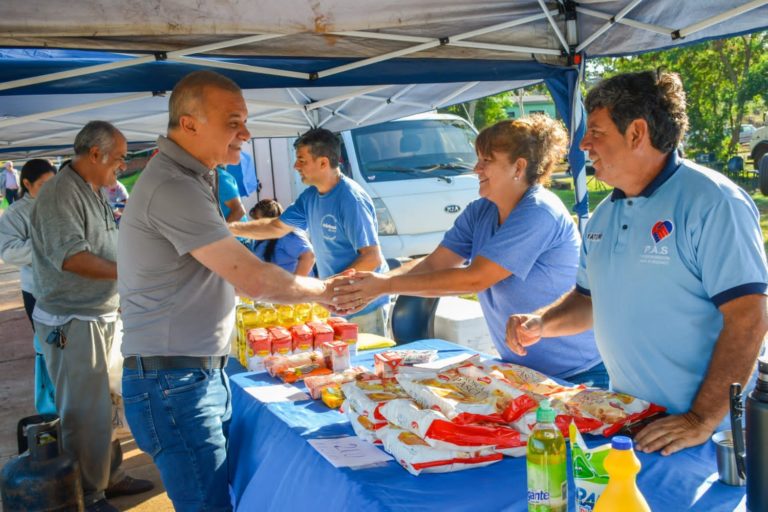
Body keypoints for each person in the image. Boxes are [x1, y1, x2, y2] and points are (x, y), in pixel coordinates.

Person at [505, 70, 768, 456]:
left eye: (596, 131)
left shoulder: (713, 202)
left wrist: (700, 418)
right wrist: (542, 322)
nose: (583, 144)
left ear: (636, 133)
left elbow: (749, 317)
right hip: (633, 420)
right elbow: (590, 300)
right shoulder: (604, 215)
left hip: (709, 435)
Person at [117, 70, 340, 511]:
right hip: (173, 380)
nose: (246, 133)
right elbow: (253, 278)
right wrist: (329, 291)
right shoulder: (173, 186)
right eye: (233, 121)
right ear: (189, 124)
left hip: (190, 373)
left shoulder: (197, 177)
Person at [333, 116, 606, 385]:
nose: (476, 168)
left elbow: (476, 278)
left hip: (578, 372)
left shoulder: (538, 211)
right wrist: (367, 285)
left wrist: (385, 285)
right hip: (524, 371)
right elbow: (434, 264)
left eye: (487, 160)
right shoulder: (481, 210)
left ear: (518, 168)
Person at [30, 121, 154, 512]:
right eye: (118, 159)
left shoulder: (92, 189)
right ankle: (89, 493)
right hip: (73, 321)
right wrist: (130, 273)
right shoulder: (59, 195)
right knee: (84, 413)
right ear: (95, 154)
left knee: (104, 405)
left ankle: (109, 476)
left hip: (97, 314)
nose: (121, 167)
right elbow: (72, 258)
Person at [230, 128, 389, 336]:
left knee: (362, 366)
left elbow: (371, 258)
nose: (296, 166)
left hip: (363, 304)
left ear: (323, 163)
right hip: (337, 302)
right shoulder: (310, 197)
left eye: (302, 160)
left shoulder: (350, 199)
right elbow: (275, 227)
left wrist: (324, 289)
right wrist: (228, 229)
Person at [0, 159, 57, 414]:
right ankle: (55, 398)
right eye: (44, 184)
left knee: (69, 344)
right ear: (26, 183)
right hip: (38, 291)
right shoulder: (16, 213)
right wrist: (45, 245)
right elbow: (8, 251)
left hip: (69, 290)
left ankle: (73, 393)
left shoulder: (61, 204)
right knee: (51, 345)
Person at [249, 198, 316, 276]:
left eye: (258, 220)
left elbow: (309, 257)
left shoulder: (287, 235)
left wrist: (295, 284)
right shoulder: (259, 240)